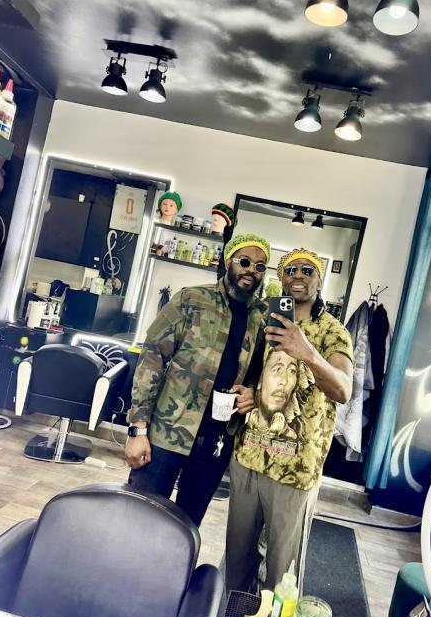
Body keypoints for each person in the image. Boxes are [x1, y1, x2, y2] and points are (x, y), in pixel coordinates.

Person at [226, 248, 354, 592]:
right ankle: (234, 615)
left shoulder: (333, 332)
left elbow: (343, 390)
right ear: (281, 279)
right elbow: (260, 376)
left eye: (307, 271)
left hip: (294, 468)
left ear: (319, 281)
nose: (298, 275)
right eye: (291, 270)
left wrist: (307, 352)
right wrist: (252, 392)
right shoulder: (268, 323)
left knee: (281, 571)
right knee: (237, 559)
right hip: (250, 456)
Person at [125, 232, 271, 526]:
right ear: (228, 262)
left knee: (186, 525)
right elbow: (152, 358)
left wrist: (253, 393)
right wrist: (137, 430)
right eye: (244, 262)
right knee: (138, 519)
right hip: (168, 432)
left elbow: (261, 372)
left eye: (259, 266)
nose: (251, 271)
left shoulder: (262, 317)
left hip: (216, 440)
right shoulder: (191, 299)